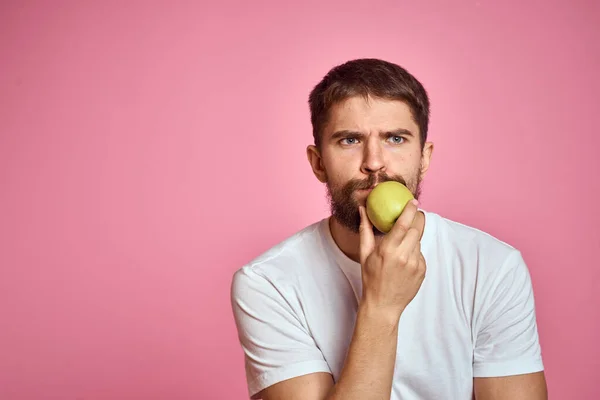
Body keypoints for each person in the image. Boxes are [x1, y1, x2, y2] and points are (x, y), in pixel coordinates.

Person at [230, 58, 547, 400]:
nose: (375, 162)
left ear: (424, 158)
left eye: (395, 138)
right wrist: (380, 307)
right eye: (350, 140)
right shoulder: (267, 283)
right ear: (318, 163)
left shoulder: (492, 267)